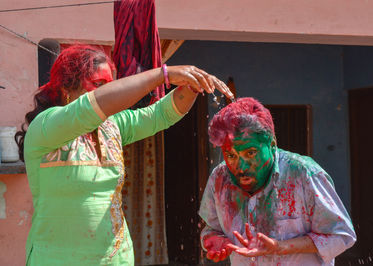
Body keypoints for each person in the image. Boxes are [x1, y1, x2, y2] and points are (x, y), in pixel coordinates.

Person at [15, 44, 234, 265]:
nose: (111, 94)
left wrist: (192, 84)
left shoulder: (112, 125)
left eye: (110, 86)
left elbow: (161, 114)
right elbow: (92, 106)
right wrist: (162, 74)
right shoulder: (46, 126)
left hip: (116, 259)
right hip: (55, 259)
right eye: (98, 86)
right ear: (66, 90)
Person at [199, 97, 356, 265]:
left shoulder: (304, 174)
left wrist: (280, 247)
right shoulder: (220, 178)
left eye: (251, 153)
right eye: (231, 155)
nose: (241, 166)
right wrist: (215, 240)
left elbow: (341, 235)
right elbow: (211, 229)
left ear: (272, 145)